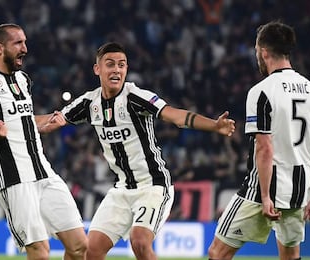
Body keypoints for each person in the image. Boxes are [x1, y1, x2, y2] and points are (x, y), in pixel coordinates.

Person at [53, 42, 235, 260]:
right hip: (122, 189)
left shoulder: (135, 97)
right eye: (110, 64)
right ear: (97, 69)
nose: (116, 70)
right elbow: (54, 121)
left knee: (139, 241)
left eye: (121, 65)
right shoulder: (89, 103)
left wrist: (214, 125)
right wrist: (17, 124)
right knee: (89, 250)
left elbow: (175, 116)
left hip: (153, 186)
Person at [0, 23, 87, 260]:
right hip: (14, 179)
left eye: (25, 42)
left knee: (79, 246)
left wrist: (47, 124)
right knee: (39, 251)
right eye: (18, 43)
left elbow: (23, 120)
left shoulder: (23, 79)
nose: (25, 48)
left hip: (44, 172)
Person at [207, 21, 310, 260]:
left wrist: (265, 197)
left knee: (217, 253)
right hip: (299, 191)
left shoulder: (261, 91)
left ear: (263, 51)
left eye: (257, 50)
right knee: (290, 255)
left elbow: (264, 148)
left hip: (263, 190)